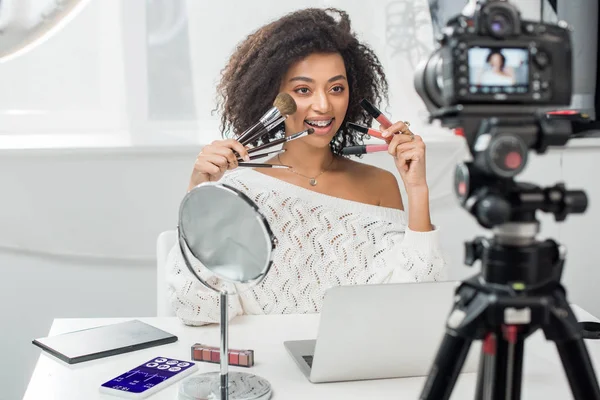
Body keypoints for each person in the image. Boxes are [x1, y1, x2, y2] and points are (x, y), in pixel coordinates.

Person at [166, 8, 447, 326]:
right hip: (262, 367)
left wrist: (417, 190)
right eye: (303, 90)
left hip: (353, 367)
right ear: (272, 96)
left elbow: (411, 308)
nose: (324, 105)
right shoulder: (236, 188)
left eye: (336, 88)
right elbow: (198, 308)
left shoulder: (380, 185)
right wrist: (197, 192)